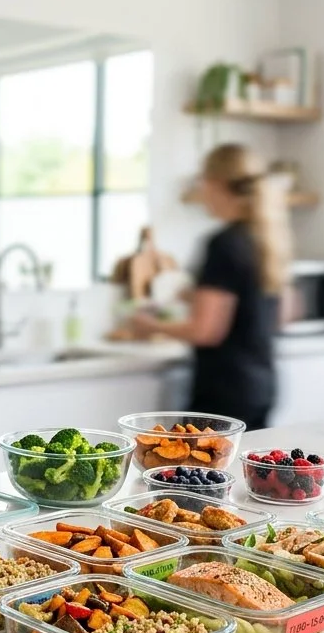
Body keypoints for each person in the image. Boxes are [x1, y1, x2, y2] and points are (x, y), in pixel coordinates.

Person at [123, 144, 291, 430]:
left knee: (201, 472)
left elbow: (206, 331)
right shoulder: (266, 238)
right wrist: (197, 297)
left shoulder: (224, 243)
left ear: (216, 184)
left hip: (225, 392)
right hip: (261, 384)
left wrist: (150, 326)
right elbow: (282, 313)